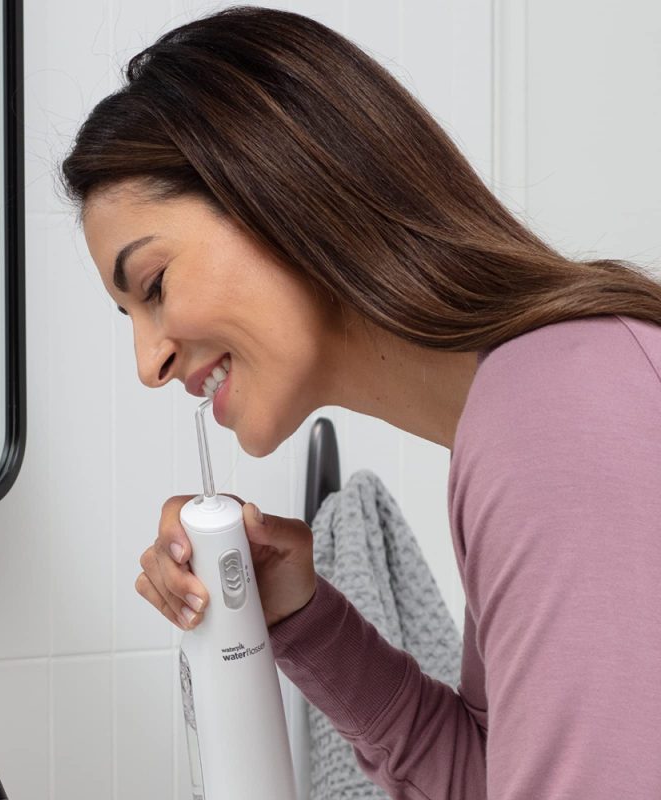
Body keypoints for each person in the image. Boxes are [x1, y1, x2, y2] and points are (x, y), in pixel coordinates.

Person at [61, 6, 661, 798]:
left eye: (155, 286)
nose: (150, 361)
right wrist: (304, 617)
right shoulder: (540, 398)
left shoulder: (557, 411)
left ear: (277, 185)